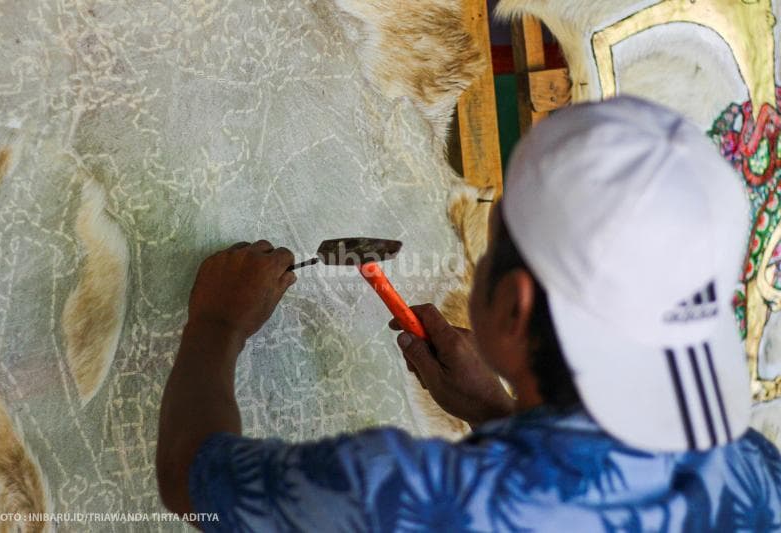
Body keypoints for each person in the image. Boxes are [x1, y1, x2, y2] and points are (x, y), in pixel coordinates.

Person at [156, 97, 781, 532]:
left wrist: (218, 325)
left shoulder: (413, 498)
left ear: (513, 307)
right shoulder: (754, 470)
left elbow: (189, 479)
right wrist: (493, 411)